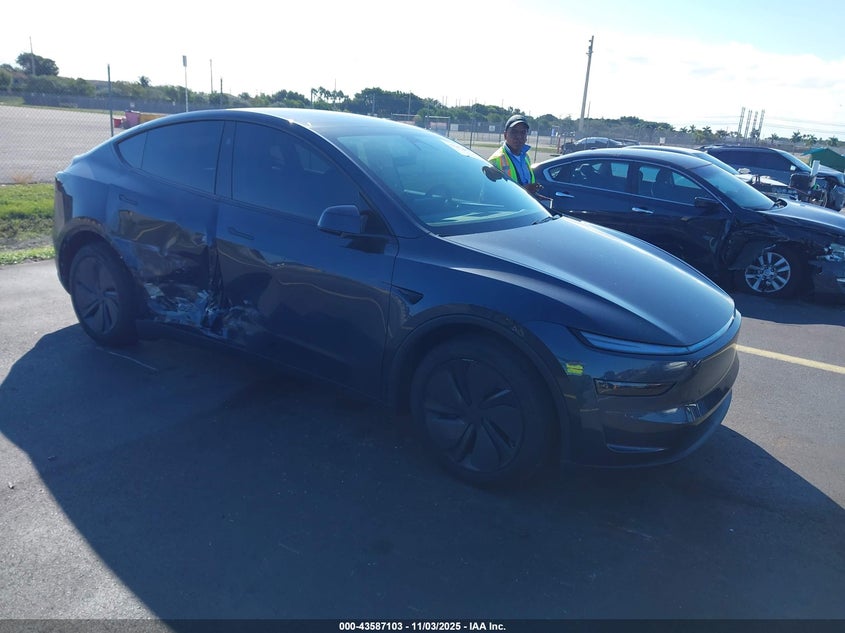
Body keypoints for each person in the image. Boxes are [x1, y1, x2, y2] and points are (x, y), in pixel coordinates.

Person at [488, 114, 542, 195]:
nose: (519, 136)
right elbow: (491, 193)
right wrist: (524, 190)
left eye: (523, 132)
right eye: (514, 132)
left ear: (526, 136)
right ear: (505, 135)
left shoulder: (525, 157)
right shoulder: (495, 161)